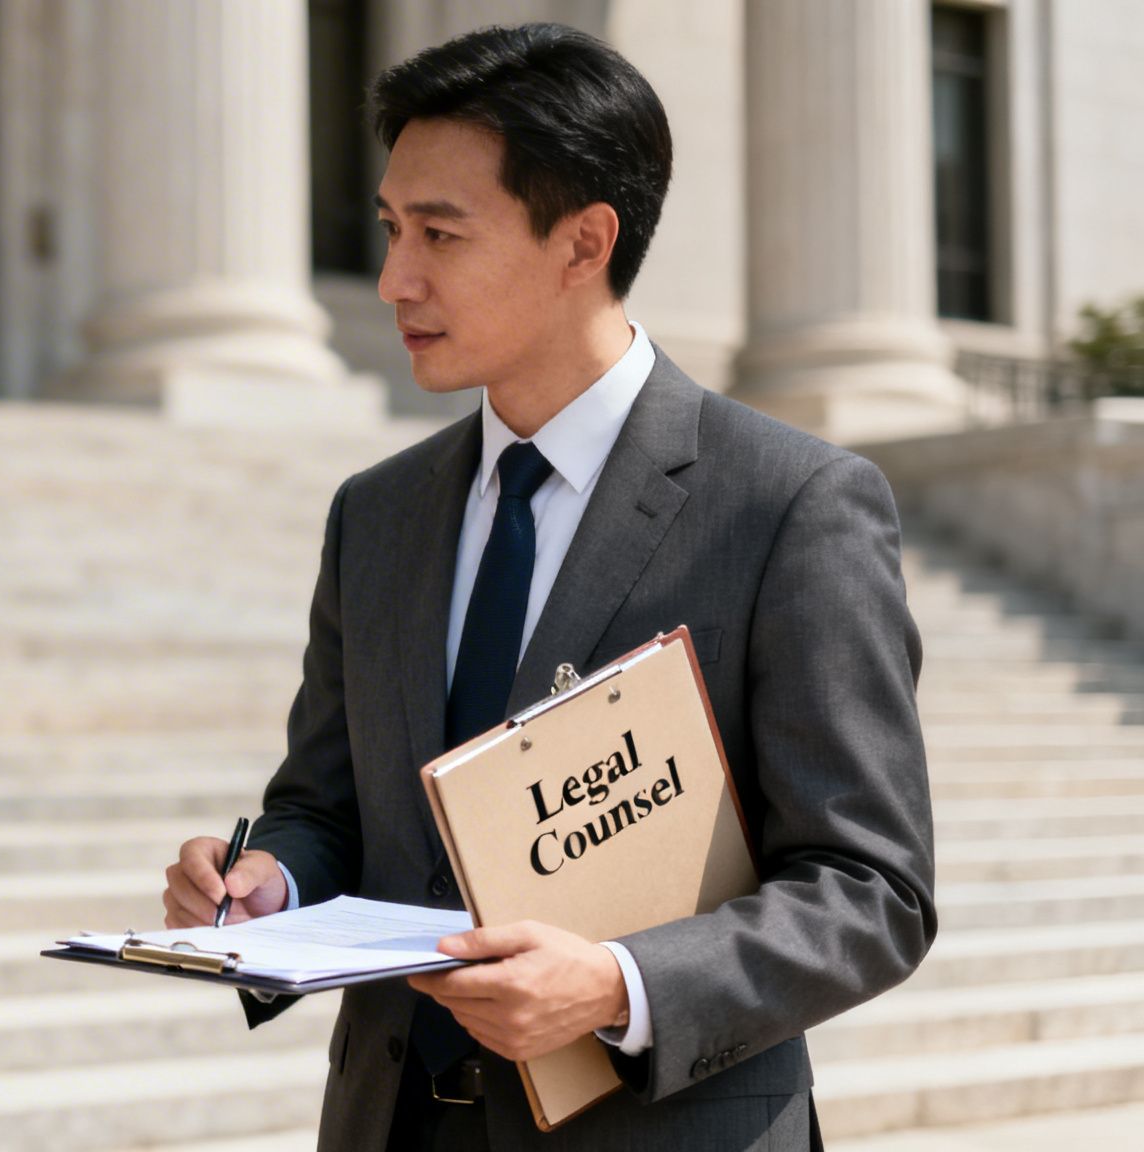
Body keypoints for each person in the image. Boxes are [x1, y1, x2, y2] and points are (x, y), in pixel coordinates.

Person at [161, 24, 934, 1151]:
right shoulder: (372, 515)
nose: (392, 279)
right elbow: (328, 806)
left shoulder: (790, 506)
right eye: (388, 229)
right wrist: (268, 882)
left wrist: (618, 984)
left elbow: (870, 890)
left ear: (582, 243)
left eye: (437, 233)